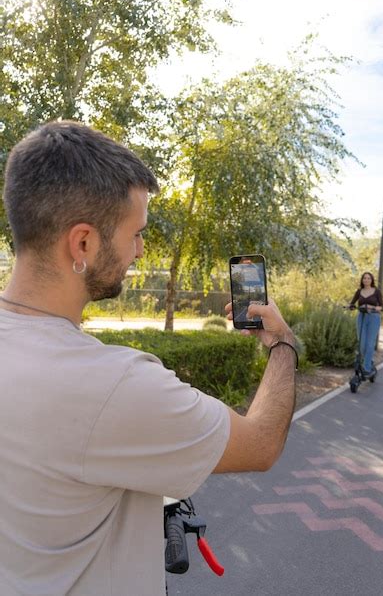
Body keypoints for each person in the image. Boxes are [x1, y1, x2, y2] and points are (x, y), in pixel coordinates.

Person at [0, 121, 297, 596]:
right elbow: (261, 444)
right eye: (135, 233)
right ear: (83, 243)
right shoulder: (110, 385)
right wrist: (282, 345)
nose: (139, 250)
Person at [349, 271, 383, 377]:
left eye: (368, 278)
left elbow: (381, 307)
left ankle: (367, 368)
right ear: (362, 280)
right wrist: (350, 306)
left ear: (372, 280)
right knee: (362, 344)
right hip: (361, 317)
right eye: (364, 278)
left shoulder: (376, 291)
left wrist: (371, 306)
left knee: (369, 344)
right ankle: (367, 361)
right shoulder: (359, 291)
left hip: (374, 318)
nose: (366, 280)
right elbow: (352, 303)